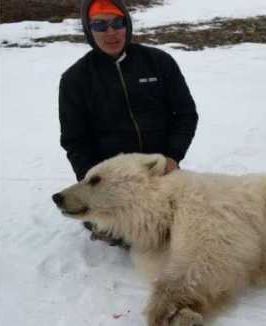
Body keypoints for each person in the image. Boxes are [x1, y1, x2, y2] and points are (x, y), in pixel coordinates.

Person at [58, 0, 198, 247]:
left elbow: (185, 114)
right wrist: (94, 181)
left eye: (117, 23)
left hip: (159, 171)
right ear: (88, 30)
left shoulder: (159, 62)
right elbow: (75, 140)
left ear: (127, 25)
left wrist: (172, 157)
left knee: (186, 230)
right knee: (130, 239)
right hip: (112, 182)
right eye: (100, 25)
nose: (111, 32)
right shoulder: (75, 79)